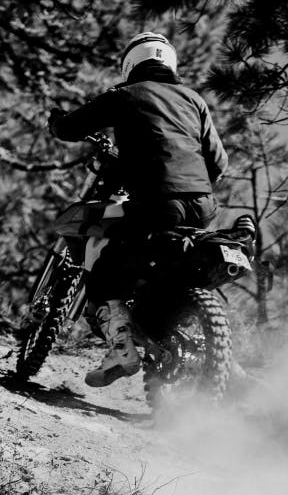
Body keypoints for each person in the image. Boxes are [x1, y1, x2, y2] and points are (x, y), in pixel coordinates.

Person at [48, 32, 228, 388]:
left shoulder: (125, 95)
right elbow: (219, 163)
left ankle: (120, 348)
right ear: (169, 62)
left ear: (131, 63)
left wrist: (56, 120)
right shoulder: (194, 100)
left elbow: (71, 128)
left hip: (156, 205)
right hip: (204, 208)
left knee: (103, 267)